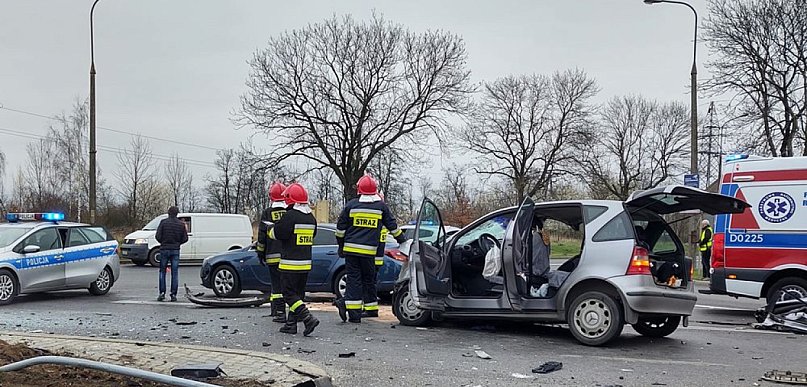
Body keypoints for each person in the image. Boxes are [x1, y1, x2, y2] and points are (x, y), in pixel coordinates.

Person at [335, 175, 406, 323]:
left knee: (354, 279)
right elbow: (393, 227)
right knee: (368, 280)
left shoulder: (351, 205)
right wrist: (404, 242)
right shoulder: (380, 207)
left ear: (359, 190)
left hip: (351, 251)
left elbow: (340, 230)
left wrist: (341, 246)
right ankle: (357, 308)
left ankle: (353, 313)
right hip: (369, 253)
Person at [268, 183, 320, 336]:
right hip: (305, 264)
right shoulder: (311, 218)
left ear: (290, 199)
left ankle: (307, 318)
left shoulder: (289, 216)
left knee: (288, 294)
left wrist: (271, 229)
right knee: (297, 294)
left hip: (290, 264)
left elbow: (278, 234)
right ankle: (291, 324)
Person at [256, 181, 288, 322]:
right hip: (288, 257)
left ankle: (277, 311)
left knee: (276, 286)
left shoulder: (267, 213)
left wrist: (260, 253)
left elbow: (262, 236)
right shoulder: (289, 212)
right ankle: (292, 312)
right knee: (288, 284)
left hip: (272, 256)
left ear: (271, 197)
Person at [155, 206, 188, 302]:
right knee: (175, 273)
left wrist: (163, 242)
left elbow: (158, 236)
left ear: (168, 213)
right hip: (175, 250)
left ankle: (162, 293)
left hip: (164, 249)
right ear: (177, 214)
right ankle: (173, 294)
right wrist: (178, 243)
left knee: (162, 272)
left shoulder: (163, 222)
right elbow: (185, 238)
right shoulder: (180, 224)